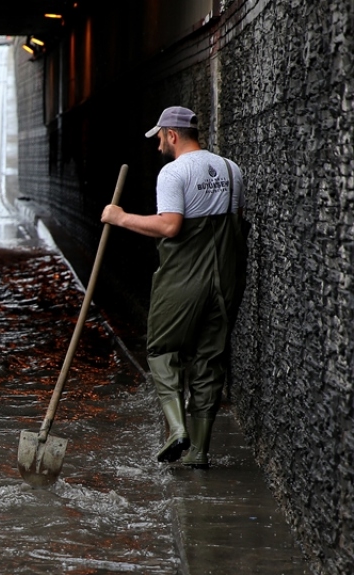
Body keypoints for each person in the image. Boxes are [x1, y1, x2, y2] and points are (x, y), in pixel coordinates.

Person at [100, 106, 246, 468]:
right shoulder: (232, 169)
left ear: (172, 135)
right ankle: (199, 451)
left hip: (184, 277)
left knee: (162, 349)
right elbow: (234, 223)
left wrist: (120, 218)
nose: (158, 146)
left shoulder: (173, 172)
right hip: (226, 278)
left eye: (160, 138)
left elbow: (170, 227)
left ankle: (177, 428)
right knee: (208, 360)